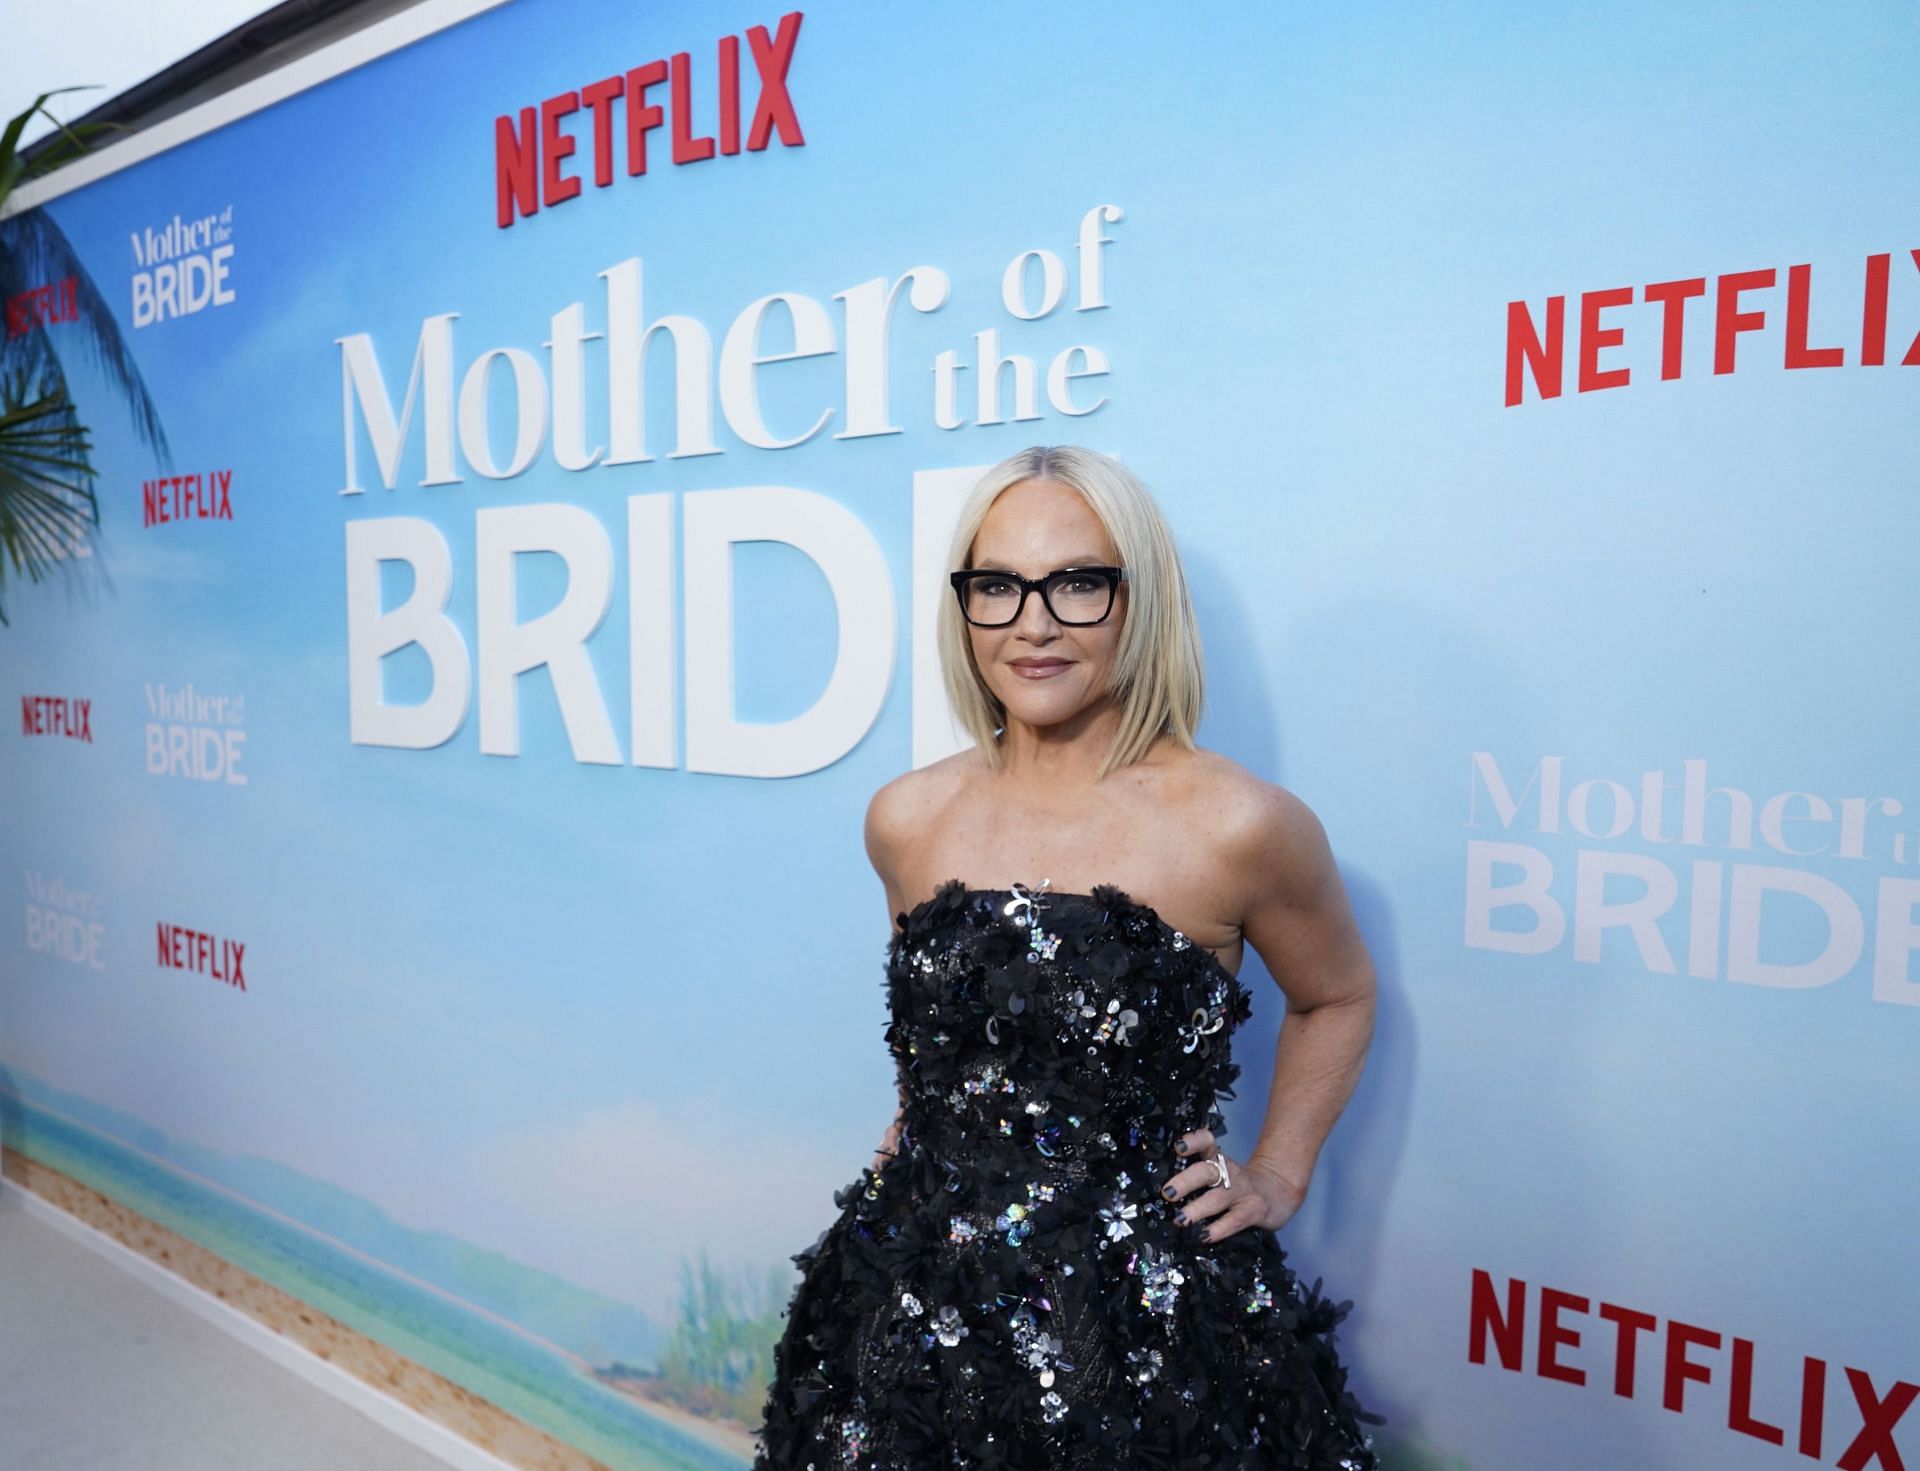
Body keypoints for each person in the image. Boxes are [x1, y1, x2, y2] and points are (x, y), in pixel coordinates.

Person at [751, 445, 1383, 1469]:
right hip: (908, 1319)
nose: (1031, 623)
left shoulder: (1240, 826)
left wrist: (1276, 1171)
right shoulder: (907, 818)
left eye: (1077, 583)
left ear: (1140, 601)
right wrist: (916, 1145)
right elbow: (948, 1047)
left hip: (1141, 1342)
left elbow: (1339, 994)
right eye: (996, 585)